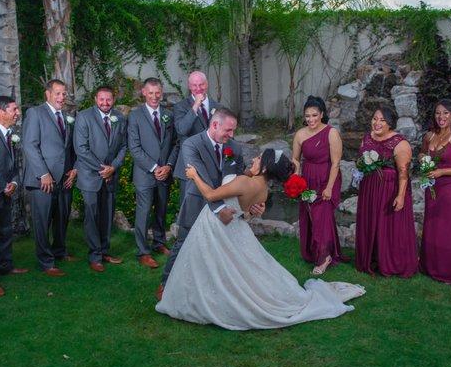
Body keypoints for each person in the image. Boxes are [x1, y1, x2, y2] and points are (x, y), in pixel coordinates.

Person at [156, 149, 365, 330]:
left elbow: (211, 196)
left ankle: (203, 302)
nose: (254, 160)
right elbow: (245, 213)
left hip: (215, 227)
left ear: (265, 168)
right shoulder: (263, 190)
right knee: (228, 269)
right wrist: (250, 211)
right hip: (235, 227)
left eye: (258, 159)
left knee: (211, 265)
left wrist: (194, 176)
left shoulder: (244, 182)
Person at [156, 108, 263, 299]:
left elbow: (237, 180)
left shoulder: (234, 148)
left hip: (226, 206)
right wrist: (220, 208)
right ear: (215, 125)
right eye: (228, 130)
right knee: (183, 243)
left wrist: (250, 204)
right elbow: (202, 179)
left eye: (233, 131)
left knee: (220, 248)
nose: (232, 135)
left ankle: (212, 288)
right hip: (197, 202)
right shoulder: (191, 144)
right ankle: (166, 283)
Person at [354, 106, 418, 277]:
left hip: (389, 190)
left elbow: (403, 171)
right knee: (370, 221)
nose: (377, 123)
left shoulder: (400, 142)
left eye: (382, 120)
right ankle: (370, 258)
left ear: (390, 123)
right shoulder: (367, 138)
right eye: (375, 118)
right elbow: (361, 162)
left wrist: (401, 196)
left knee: (388, 226)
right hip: (369, 189)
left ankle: (390, 261)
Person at [22, 79, 77, 276]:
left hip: (64, 179)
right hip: (42, 180)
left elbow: (67, 148)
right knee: (43, 221)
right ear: (48, 94)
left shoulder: (66, 115)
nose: (62, 97)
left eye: (64, 94)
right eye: (58, 93)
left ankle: (60, 251)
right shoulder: (35, 113)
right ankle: (46, 262)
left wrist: (73, 169)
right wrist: (43, 174)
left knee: (62, 217)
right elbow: (29, 145)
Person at [292, 96, 348, 275]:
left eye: (314, 115)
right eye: (307, 116)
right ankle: (320, 251)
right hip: (308, 178)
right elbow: (295, 158)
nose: (310, 119)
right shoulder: (300, 134)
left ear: (322, 114)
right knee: (311, 217)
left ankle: (324, 257)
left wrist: (329, 187)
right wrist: (296, 176)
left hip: (327, 177)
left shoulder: (331, 133)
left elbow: (336, 163)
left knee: (321, 216)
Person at [74, 86, 127, 272]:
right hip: (90, 176)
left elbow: (123, 146)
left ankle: (104, 251)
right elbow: (81, 149)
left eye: (109, 99)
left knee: (107, 214)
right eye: (101, 99)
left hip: (110, 175)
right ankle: (94, 255)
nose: (105, 103)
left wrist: (113, 167)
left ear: (114, 99)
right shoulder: (84, 117)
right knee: (92, 216)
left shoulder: (120, 118)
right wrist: (101, 169)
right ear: (95, 98)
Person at [419, 99, 451, 285]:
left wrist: (442, 171)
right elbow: (422, 153)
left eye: (445, 113)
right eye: (438, 113)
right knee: (433, 228)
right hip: (433, 189)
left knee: (449, 230)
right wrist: (424, 160)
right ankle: (431, 266)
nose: (441, 117)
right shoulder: (430, 136)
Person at [128, 78, 178, 269]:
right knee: (144, 212)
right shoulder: (135, 116)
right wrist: (153, 168)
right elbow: (134, 147)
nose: (155, 96)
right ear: (143, 93)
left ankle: (159, 242)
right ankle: (143, 251)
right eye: (151, 93)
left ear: (162, 92)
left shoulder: (168, 115)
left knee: (161, 209)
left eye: (158, 92)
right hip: (145, 174)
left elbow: (175, 143)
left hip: (165, 172)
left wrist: (169, 165)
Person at [0, 96, 28, 296]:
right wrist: (4, 186)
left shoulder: (10, 133)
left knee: (5, 231)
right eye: (14, 109)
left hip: (5, 193)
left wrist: (15, 183)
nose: (17, 113)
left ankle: (5, 266)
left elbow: (13, 164)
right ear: (1, 112)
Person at [172, 71, 221, 207]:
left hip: (212, 165)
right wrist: (195, 106)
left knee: (210, 207)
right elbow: (182, 130)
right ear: (189, 86)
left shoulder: (218, 107)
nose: (198, 88)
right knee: (188, 209)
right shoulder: (180, 107)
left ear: (207, 84)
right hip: (190, 165)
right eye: (194, 85)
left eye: (201, 84)